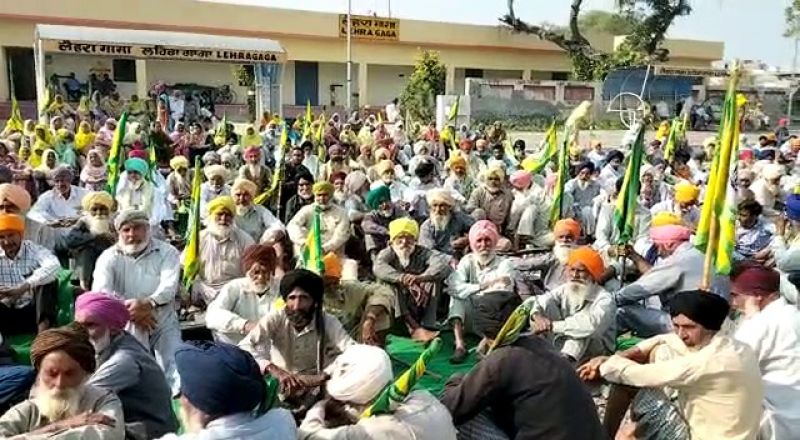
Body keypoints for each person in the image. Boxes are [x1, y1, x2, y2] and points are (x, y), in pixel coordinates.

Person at [579, 290, 763, 440]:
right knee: (658, 350)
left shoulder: (708, 362)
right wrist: (623, 355)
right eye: (676, 326)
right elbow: (666, 339)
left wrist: (604, 363)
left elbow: (637, 375)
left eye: (689, 327)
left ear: (709, 326)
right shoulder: (734, 346)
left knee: (627, 383)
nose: (681, 334)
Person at [441, 295, 605, 440]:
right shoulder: (541, 344)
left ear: (484, 332)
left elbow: (450, 408)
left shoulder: (503, 358)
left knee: (458, 420)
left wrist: (456, 380)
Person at [92, 209, 182, 393]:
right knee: (132, 361)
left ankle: (177, 398)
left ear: (147, 229)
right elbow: (102, 293)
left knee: (175, 363)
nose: (132, 235)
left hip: (161, 316)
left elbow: (169, 287)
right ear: (119, 233)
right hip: (125, 320)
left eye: (137, 228)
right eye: (126, 230)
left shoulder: (167, 252)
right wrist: (131, 311)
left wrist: (148, 303)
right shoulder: (108, 257)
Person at [239, 269, 355, 408]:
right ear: (285, 300)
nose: (297, 306)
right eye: (292, 298)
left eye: (304, 298)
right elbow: (244, 346)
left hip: (317, 389)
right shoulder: (276, 317)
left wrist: (324, 375)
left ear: (314, 302)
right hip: (282, 386)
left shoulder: (327, 321)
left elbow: (353, 352)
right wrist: (273, 369)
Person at [299, 344, 457, 440]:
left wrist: (320, 405)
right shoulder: (424, 397)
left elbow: (307, 436)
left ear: (349, 404)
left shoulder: (371, 431)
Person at [75, 292, 177, 439]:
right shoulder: (109, 344)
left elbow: (81, 401)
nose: (81, 334)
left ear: (114, 328)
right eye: (78, 326)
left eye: (90, 325)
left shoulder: (124, 360)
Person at [0, 325, 125, 439]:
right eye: (52, 374)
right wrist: (60, 426)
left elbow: (107, 436)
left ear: (85, 373)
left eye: (69, 374)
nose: (59, 383)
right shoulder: (28, 410)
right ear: (39, 373)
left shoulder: (103, 401)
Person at [158, 341, 296, 439]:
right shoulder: (282, 421)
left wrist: (195, 427)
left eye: (182, 392)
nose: (180, 399)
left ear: (194, 402)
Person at [614, 221, 726, 337]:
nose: (657, 252)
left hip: (690, 325)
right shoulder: (697, 255)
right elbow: (655, 276)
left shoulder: (679, 260)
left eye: (657, 247)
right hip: (713, 321)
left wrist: (612, 300)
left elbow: (643, 287)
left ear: (668, 245)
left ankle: (600, 347)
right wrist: (635, 257)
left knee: (623, 311)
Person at [730, 264, 800, 440]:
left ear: (756, 296)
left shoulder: (761, 324)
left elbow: (730, 363)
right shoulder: (792, 313)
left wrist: (751, 319)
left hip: (777, 418)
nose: (733, 303)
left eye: (736, 296)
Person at [525, 246, 615, 364]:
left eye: (581, 271)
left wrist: (552, 326)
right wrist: (537, 315)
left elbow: (591, 327)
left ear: (592, 273)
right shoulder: (566, 288)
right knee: (545, 304)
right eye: (572, 270)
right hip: (563, 340)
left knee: (581, 329)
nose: (575, 275)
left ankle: (564, 365)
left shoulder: (605, 299)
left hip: (596, 351)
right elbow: (539, 300)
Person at [373, 218, 451, 342]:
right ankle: (413, 327)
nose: (404, 242)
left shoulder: (422, 252)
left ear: (415, 240)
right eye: (400, 238)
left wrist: (419, 279)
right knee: (389, 284)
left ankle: (427, 325)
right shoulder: (387, 253)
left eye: (409, 238)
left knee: (433, 280)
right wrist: (402, 278)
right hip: (396, 307)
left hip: (417, 301)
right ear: (391, 242)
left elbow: (442, 265)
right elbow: (378, 267)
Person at [448, 220, 515, 363]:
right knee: (456, 298)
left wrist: (469, 290)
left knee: (496, 304)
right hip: (470, 314)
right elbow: (453, 287)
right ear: (473, 243)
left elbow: (501, 294)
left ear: (494, 242)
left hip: (489, 317)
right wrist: (483, 286)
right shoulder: (467, 260)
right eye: (479, 241)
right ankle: (460, 345)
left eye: (487, 240)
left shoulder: (505, 264)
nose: (483, 245)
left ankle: (485, 343)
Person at [0, 213, 61, 336]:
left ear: (20, 235)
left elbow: (54, 266)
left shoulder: (33, 250)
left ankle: (42, 336)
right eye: (1, 237)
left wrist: (24, 287)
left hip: (34, 314)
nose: (7, 241)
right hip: (6, 313)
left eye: (11, 235)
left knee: (46, 282)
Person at [206, 245, 279, 345]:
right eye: (256, 272)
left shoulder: (280, 288)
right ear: (247, 271)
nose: (260, 277)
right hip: (235, 349)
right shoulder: (234, 287)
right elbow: (213, 315)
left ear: (272, 272)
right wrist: (245, 325)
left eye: (265, 272)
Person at [321, 253, 396, 345]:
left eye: (335, 283)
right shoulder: (309, 299)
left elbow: (384, 291)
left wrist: (369, 318)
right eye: (327, 285)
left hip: (352, 343)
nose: (332, 288)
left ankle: (372, 348)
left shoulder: (348, 289)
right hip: (325, 347)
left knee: (380, 308)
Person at [192, 196, 255, 304]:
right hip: (205, 291)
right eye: (219, 214)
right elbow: (184, 265)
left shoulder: (244, 239)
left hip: (234, 291)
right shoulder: (200, 238)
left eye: (228, 215)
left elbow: (253, 266)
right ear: (211, 216)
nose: (223, 219)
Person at [63, 191, 116, 290]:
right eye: (94, 209)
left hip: (107, 263)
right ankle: (83, 287)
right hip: (82, 265)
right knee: (86, 250)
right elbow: (70, 241)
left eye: (103, 209)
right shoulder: (84, 222)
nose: (99, 213)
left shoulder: (113, 224)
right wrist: (93, 236)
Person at [287, 181, 350, 257]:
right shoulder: (307, 210)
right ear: (315, 196)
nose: (322, 198)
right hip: (309, 253)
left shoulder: (341, 213)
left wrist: (324, 249)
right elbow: (292, 226)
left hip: (333, 254)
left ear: (330, 196)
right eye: (319, 195)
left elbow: (340, 236)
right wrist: (304, 242)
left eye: (325, 195)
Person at [418, 188, 474, 259]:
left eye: (442, 206)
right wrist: (449, 257)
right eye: (435, 205)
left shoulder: (458, 218)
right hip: (438, 261)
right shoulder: (426, 227)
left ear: (449, 207)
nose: (438, 210)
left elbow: (478, 228)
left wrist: (468, 239)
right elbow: (428, 252)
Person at [361, 185, 408, 260]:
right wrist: (386, 231)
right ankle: (376, 262)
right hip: (382, 245)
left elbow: (407, 220)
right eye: (380, 203)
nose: (385, 205)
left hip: (401, 239)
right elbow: (366, 225)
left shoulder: (398, 209)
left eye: (386, 200)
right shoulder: (372, 215)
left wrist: (396, 233)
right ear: (375, 206)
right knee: (369, 236)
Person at [231, 178, 285, 243]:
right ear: (233, 196)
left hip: (255, 249)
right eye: (238, 195)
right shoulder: (228, 211)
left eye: (246, 195)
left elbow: (277, 225)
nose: (242, 199)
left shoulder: (260, 211)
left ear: (251, 196)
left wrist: (266, 240)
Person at [466, 166, 513, 233]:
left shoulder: (507, 194)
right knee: (478, 212)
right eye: (490, 179)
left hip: (497, 228)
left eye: (496, 179)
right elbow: (469, 208)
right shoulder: (478, 191)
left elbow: (509, 215)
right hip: (479, 226)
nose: (493, 181)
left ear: (501, 181)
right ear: (486, 180)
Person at [565, 161, 602, 237]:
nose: (584, 176)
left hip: (591, 210)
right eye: (582, 173)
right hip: (575, 209)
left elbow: (600, 196)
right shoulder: (572, 183)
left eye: (587, 173)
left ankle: (590, 234)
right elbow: (567, 195)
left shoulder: (595, 185)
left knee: (588, 211)